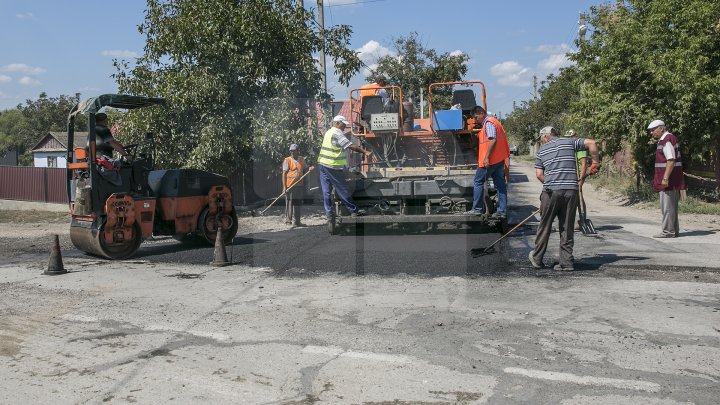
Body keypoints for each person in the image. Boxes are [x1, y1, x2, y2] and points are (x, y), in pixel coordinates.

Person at [529, 126, 601, 271]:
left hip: (551, 193)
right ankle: (566, 263)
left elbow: (539, 174)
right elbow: (592, 143)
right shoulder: (569, 142)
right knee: (567, 227)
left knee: (545, 226)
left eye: (541, 140)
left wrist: (552, 185)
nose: (541, 142)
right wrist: (595, 162)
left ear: (545, 137)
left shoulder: (542, 151)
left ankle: (537, 259)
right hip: (570, 191)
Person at [317, 115, 373, 220]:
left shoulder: (328, 132)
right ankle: (353, 211)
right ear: (337, 123)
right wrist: (365, 151)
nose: (344, 127)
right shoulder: (337, 133)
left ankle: (329, 214)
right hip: (332, 166)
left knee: (326, 191)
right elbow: (350, 146)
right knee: (343, 189)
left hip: (323, 164)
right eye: (343, 125)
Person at [466, 105, 511, 219]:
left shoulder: (489, 123)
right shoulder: (495, 122)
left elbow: (492, 140)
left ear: (482, 113)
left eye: (476, 118)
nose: (475, 120)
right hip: (498, 160)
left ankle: (477, 209)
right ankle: (502, 211)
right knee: (500, 185)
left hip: (489, 161)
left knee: (478, 182)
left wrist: (486, 158)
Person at [647, 119, 685, 238]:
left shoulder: (666, 140)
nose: (651, 133)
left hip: (668, 180)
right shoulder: (669, 139)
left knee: (667, 207)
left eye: (653, 130)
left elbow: (670, 160)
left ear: (661, 128)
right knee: (671, 207)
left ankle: (668, 232)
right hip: (672, 179)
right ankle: (674, 230)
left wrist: (665, 178)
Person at [564, 129, 589, 231]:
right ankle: (568, 222)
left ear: (575, 136)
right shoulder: (570, 147)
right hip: (571, 175)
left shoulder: (580, 148)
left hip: (578, 175)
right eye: (568, 138)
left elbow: (583, 164)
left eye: (571, 137)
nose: (570, 139)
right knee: (570, 197)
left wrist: (581, 178)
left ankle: (583, 220)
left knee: (578, 197)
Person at [282, 144, 308, 227]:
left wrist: (308, 170)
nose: (292, 152)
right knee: (290, 203)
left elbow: (305, 169)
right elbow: (284, 174)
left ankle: (297, 222)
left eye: (294, 150)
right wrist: (284, 187)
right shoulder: (287, 160)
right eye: (291, 151)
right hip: (290, 185)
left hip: (299, 185)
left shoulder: (301, 159)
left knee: (297, 203)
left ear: (297, 151)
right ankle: (288, 221)